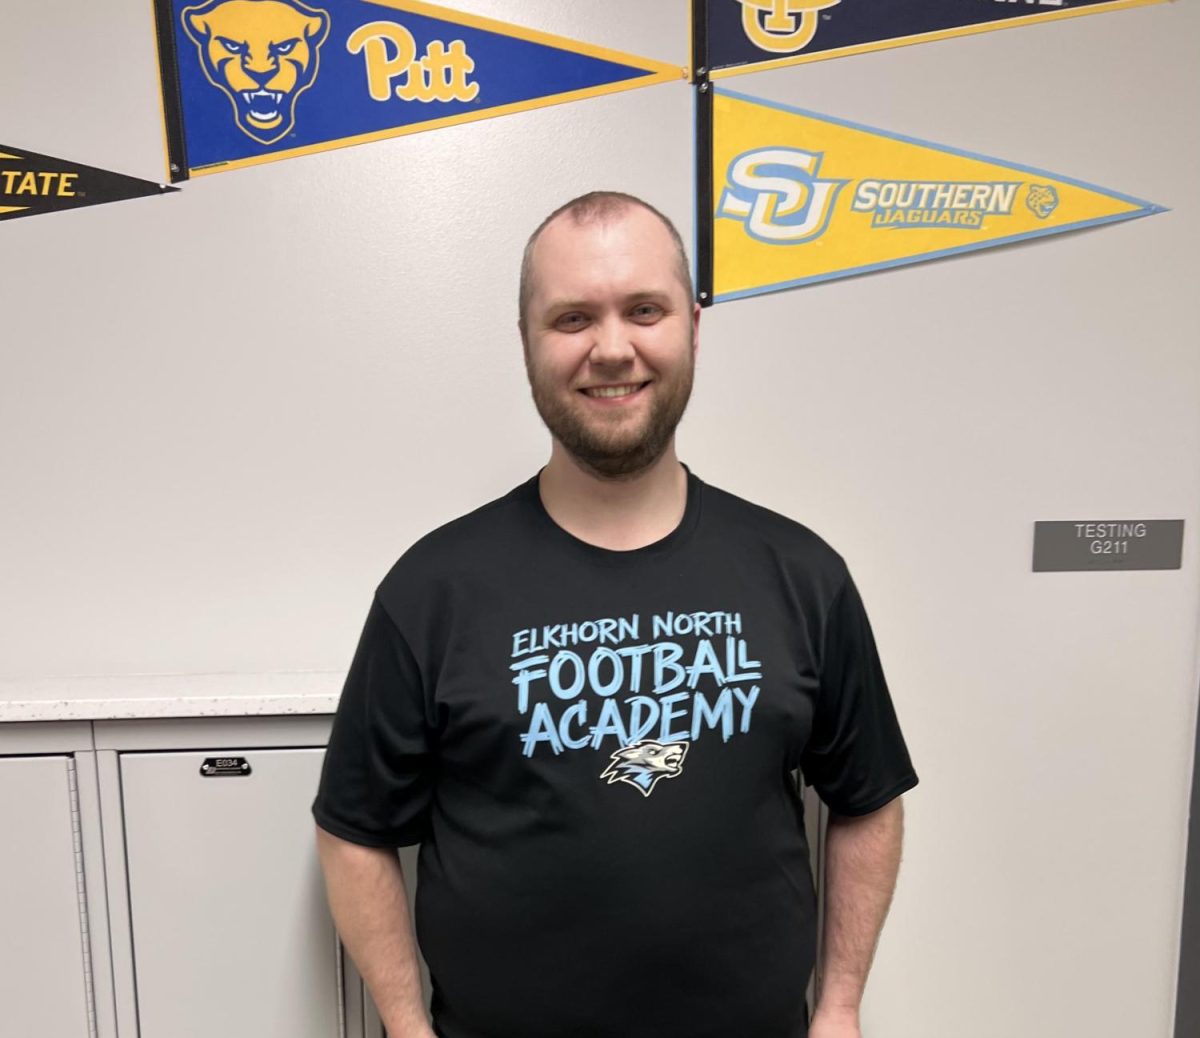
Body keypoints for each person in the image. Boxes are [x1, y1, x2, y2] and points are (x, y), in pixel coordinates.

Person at [312, 191, 919, 1038]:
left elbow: (869, 800)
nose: (611, 348)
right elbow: (352, 828)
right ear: (527, 342)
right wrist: (408, 1029)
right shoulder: (433, 589)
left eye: (644, 310)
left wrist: (843, 1007)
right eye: (571, 318)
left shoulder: (801, 574)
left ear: (693, 327)